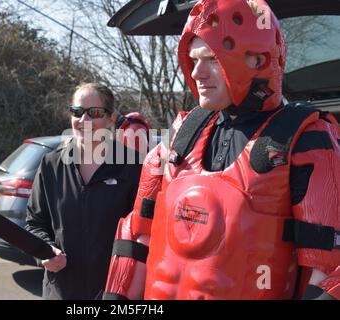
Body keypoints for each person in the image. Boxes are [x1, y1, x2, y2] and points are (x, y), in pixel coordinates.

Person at [103, 0, 339, 300]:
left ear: (257, 60)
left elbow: (329, 270)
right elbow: (137, 237)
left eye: (212, 59)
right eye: (194, 59)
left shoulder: (308, 140)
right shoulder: (179, 135)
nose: (197, 72)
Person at [25, 83, 143, 299]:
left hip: (113, 292)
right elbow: (35, 223)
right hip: (60, 290)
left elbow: (142, 235)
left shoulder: (133, 167)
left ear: (110, 118)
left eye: (94, 113)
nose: (84, 121)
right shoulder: (51, 165)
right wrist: (46, 252)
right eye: (77, 112)